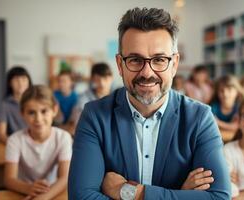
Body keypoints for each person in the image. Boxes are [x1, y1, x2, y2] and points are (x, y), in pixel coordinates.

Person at [68, 7, 231, 200]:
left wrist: (131, 193)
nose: (147, 72)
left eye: (159, 59)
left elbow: (219, 197)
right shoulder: (94, 115)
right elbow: (81, 197)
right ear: (120, 65)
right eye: (135, 60)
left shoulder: (200, 118)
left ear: (175, 64)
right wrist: (181, 194)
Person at [4, 85, 72, 200]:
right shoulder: (14, 140)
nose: (38, 119)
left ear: (54, 110)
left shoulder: (63, 138)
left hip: (52, 190)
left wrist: (43, 197)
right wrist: (29, 188)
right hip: (22, 191)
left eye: (44, 111)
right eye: (31, 112)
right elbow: (9, 179)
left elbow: (64, 178)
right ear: (22, 114)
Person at [0, 66, 32, 143]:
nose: (20, 83)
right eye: (16, 80)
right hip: (16, 142)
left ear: (29, 82)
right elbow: (1, 134)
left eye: (24, 79)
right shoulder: (5, 105)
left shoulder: (35, 102)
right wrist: (14, 144)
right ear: (10, 83)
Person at [70, 62, 113, 127]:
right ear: (93, 80)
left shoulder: (119, 97)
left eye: (105, 79)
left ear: (111, 78)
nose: (102, 83)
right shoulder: (83, 98)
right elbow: (78, 123)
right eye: (98, 79)